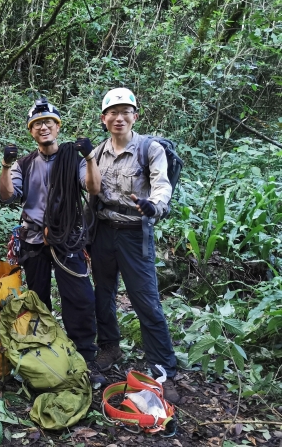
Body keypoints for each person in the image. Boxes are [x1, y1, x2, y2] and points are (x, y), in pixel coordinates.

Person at [0, 97, 105, 385]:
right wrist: (6, 165)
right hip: (33, 241)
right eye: (37, 124)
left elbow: (93, 187)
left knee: (80, 299)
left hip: (67, 239)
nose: (43, 127)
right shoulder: (24, 164)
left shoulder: (73, 157)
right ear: (31, 132)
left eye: (48, 122)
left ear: (57, 127)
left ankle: (85, 356)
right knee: (37, 301)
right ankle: (42, 358)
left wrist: (90, 157)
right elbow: (8, 196)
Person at [88, 87, 180, 403]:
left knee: (146, 300)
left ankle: (163, 369)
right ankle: (109, 347)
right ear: (104, 119)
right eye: (112, 112)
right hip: (102, 231)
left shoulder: (148, 149)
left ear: (135, 116)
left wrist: (154, 205)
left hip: (134, 233)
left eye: (126, 111)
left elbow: (162, 185)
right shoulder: (97, 153)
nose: (119, 117)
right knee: (103, 294)